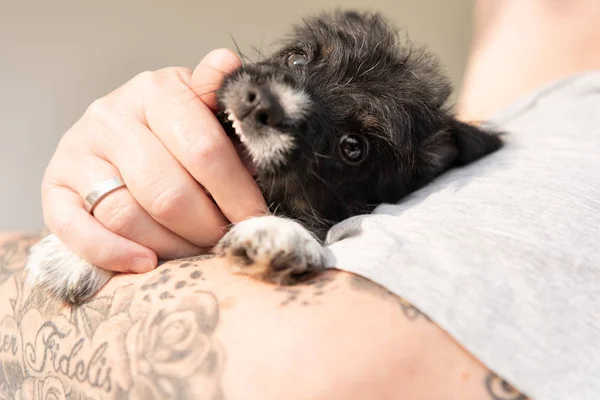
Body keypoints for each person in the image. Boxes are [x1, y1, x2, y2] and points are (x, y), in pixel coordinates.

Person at [1, 0, 599, 398]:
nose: (272, 97)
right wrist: (106, 189)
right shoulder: (483, 130)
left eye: (352, 145)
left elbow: (313, 366)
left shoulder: (527, 158)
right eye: (295, 58)